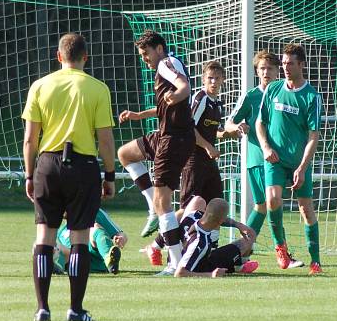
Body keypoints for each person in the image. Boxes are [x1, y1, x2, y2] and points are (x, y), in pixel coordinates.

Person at [22, 33, 116, 321]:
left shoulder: (40, 86)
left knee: (44, 238)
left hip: (47, 165)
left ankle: (42, 309)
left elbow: (29, 139)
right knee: (79, 239)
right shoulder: (98, 89)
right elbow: (106, 140)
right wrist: (109, 176)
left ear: (58, 56)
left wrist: (29, 175)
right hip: (83, 166)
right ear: (85, 57)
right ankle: (75, 310)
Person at [117, 30, 194, 275]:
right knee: (125, 153)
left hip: (173, 139)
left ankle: (175, 264)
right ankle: (152, 208)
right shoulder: (169, 64)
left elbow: (184, 87)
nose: (144, 59)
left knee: (165, 203)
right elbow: (170, 102)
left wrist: (178, 93)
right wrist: (140, 115)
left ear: (158, 48)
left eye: (145, 54)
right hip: (164, 134)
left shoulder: (166, 64)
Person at [141, 60, 230, 269]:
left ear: (223, 80)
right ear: (203, 79)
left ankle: (211, 249)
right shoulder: (199, 98)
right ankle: (157, 245)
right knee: (189, 208)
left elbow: (208, 130)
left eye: (217, 78)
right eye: (210, 78)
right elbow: (191, 128)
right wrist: (208, 146)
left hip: (208, 162)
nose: (214, 82)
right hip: (193, 159)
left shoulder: (217, 103)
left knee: (215, 203)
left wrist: (226, 134)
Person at [256, 43, 324, 274]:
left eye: (290, 63)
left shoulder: (311, 96)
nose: (285, 67)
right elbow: (260, 123)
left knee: (306, 209)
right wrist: (265, 147)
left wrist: (303, 167)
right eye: (283, 63)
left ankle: (315, 261)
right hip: (274, 159)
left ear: (301, 65)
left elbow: (314, 137)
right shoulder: (273, 89)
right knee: (273, 199)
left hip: (298, 161)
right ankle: (280, 248)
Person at [224, 50, 280, 247]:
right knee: (267, 204)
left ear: (277, 71)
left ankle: (243, 247)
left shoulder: (283, 94)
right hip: (257, 159)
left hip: (280, 159)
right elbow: (229, 123)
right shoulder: (251, 96)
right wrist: (238, 127)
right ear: (257, 71)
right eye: (262, 68)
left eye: (270, 68)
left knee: (266, 205)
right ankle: (277, 249)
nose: (266, 72)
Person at [175, 197, 259, 277]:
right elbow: (180, 273)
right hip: (203, 267)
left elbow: (215, 216)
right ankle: (238, 267)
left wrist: (238, 225)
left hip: (194, 256)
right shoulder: (200, 243)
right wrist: (211, 275)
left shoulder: (193, 215)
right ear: (220, 221)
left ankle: (237, 265)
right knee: (248, 240)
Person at [54, 209, 128, 275]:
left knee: (93, 227)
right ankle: (57, 267)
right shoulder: (61, 232)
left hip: (95, 261)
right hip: (75, 263)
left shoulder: (95, 213)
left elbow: (121, 234)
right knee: (56, 245)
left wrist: (121, 239)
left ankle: (109, 259)